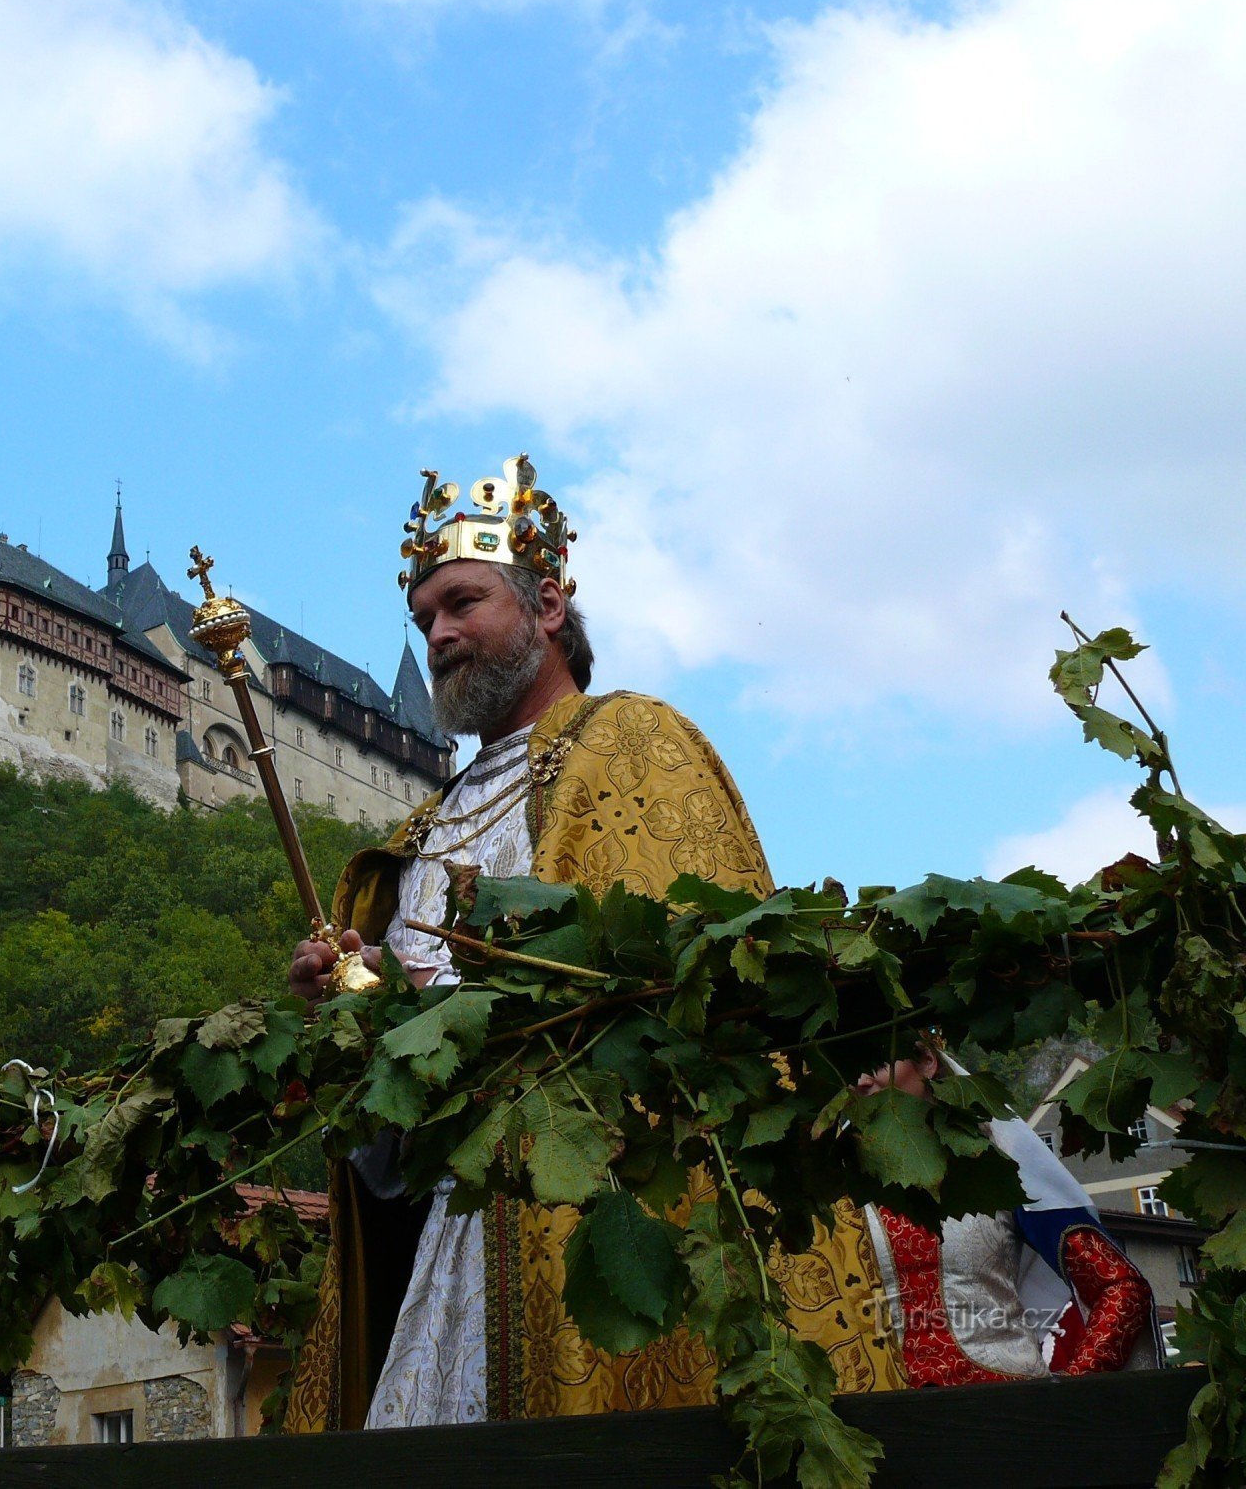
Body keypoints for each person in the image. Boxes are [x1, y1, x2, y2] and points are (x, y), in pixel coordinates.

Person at [284, 456, 905, 1431]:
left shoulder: (629, 744)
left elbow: (682, 1014)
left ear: (547, 604)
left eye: (460, 602)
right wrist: (353, 1018)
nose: (438, 634)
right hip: (452, 1249)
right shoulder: (410, 838)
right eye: (422, 621)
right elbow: (400, 1121)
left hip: (607, 1225)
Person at [855, 1043, 1160, 1385]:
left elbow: (1120, 1288)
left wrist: (1072, 1392)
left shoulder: (996, 1167)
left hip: (1009, 1419)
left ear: (927, 1061)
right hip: (882, 1425)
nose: (862, 1081)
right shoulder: (835, 1189)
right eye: (848, 1071)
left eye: (876, 1063)